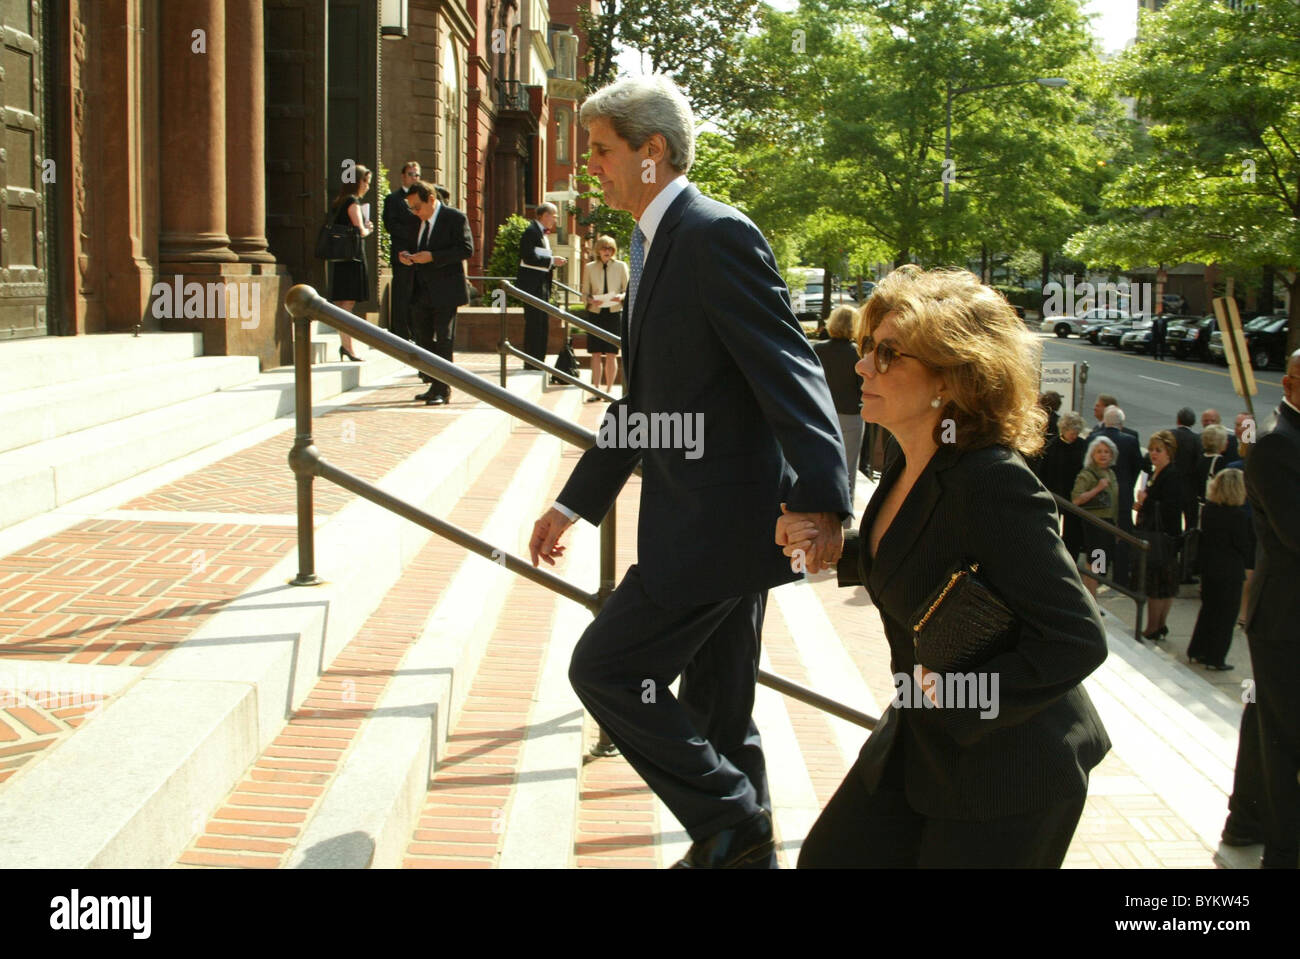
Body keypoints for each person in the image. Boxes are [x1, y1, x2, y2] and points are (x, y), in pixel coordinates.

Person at [527, 75, 851, 869]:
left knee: (605, 667)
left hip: (718, 529)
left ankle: (733, 821)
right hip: (713, 526)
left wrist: (823, 499)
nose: (589, 166)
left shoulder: (712, 234)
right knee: (721, 714)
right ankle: (745, 855)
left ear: (653, 151)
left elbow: (790, 370)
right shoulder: (655, 242)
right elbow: (646, 401)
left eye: (602, 149)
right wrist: (575, 504)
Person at [784, 265, 1110, 868]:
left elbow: (1077, 638)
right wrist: (835, 546)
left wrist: (961, 695)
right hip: (924, 737)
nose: (862, 367)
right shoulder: (909, 458)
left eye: (887, 354)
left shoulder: (992, 483)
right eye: (865, 348)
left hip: (1008, 772)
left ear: (952, 378)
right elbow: (925, 547)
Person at [1240, 348, 1300, 867]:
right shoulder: (1277, 440)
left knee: (1266, 726)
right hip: (1286, 615)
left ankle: (1245, 822)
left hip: (1284, 612)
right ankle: (1283, 851)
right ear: (1289, 381)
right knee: (1284, 739)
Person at [401, 179, 473, 406]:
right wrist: (404, 255)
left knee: (444, 339)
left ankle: (443, 388)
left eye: (417, 207)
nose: (414, 212)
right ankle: (433, 383)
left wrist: (433, 256)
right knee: (422, 338)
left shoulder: (455, 218)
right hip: (420, 289)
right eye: (411, 207)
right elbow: (407, 245)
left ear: (431, 200)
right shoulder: (415, 221)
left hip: (446, 290)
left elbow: (466, 249)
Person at [1186, 469, 1251, 671]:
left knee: (1208, 610)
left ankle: (1197, 650)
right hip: (1230, 571)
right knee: (1226, 616)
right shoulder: (1239, 516)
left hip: (1209, 568)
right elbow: (1245, 546)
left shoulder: (1209, 510)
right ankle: (1215, 657)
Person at [813, 305, 866, 518]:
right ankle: (844, 520)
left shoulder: (818, 350)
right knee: (849, 470)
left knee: (820, 466)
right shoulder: (857, 353)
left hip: (822, 415)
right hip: (850, 416)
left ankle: (819, 513)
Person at [1135, 429, 1183, 639]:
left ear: (1169, 452)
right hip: (1161, 535)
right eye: (1152, 449)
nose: (1153, 454)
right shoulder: (1158, 473)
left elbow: (1170, 507)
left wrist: (1146, 501)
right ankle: (1158, 625)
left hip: (1162, 536)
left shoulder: (1171, 475)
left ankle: (1154, 626)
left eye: (1158, 450)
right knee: (1163, 584)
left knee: (1159, 584)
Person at [328, 164, 374, 361]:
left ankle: (346, 346)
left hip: (341, 259)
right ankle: (348, 348)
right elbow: (359, 230)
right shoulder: (353, 202)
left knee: (341, 305)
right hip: (352, 259)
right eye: (366, 182)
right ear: (358, 181)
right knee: (347, 305)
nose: (368, 187)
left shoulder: (338, 202)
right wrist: (368, 228)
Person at [1095, 406, 1143, 583]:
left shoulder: (1094, 439)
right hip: (1122, 494)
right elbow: (1137, 465)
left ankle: (1099, 573)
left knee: (1099, 535)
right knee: (1122, 535)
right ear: (1121, 424)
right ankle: (1121, 576)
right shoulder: (1130, 441)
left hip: (1099, 496)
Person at [515, 202, 567, 366]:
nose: (556, 219)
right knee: (534, 324)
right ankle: (532, 362)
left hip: (541, 286)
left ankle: (538, 360)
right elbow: (527, 257)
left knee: (541, 323)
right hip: (532, 287)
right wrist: (552, 260)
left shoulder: (542, 234)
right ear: (544, 215)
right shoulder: (531, 232)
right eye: (554, 215)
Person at [580, 234, 628, 401]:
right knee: (595, 353)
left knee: (611, 353)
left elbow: (627, 290)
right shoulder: (590, 268)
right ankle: (596, 390)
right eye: (604, 248)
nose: (607, 251)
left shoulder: (621, 266)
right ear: (598, 250)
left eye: (610, 248)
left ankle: (608, 391)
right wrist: (590, 299)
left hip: (614, 313)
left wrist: (620, 297)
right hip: (596, 313)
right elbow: (584, 293)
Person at [1072, 436, 1120, 597]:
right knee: (1094, 563)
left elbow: (1115, 502)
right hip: (1095, 525)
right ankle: (1091, 600)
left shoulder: (1111, 473)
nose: (1103, 455)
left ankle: (1092, 598)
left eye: (1106, 451)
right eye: (1099, 451)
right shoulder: (1087, 474)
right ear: (1092, 454)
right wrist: (1097, 489)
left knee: (1100, 564)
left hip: (1108, 525)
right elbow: (1076, 499)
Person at [1036, 410, 1087, 562]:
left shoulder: (1083, 446)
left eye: (1077, 432)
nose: (1075, 435)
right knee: (1052, 529)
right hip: (1056, 495)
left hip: (1073, 497)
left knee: (1073, 534)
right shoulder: (1052, 447)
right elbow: (1042, 473)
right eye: (1072, 431)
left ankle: (1071, 560)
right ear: (1064, 429)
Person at [382, 160, 423, 341]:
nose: (414, 178)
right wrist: (413, 235)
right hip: (403, 253)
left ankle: (416, 332)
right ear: (402, 176)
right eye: (411, 174)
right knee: (402, 293)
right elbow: (391, 225)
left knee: (417, 293)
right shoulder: (393, 199)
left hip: (420, 254)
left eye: (417, 175)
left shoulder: (423, 198)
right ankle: (400, 334)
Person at [1173, 407, 1201, 539]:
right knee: (1190, 525)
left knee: (1172, 523)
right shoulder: (1197, 440)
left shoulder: (1169, 435)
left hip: (1171, 486)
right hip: (1190, 489)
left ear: (1178, 420)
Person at [1194, 424, 1230, 506]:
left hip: (1201, 502)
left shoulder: (1201, 458)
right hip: (1214, 504)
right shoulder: (1219, 461)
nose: (1227, 442)